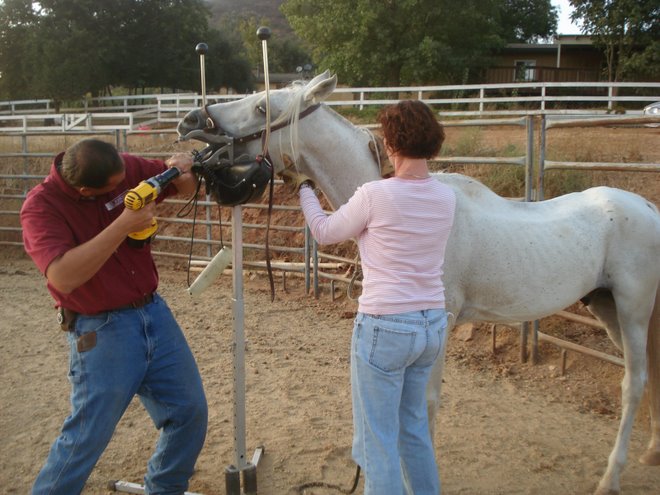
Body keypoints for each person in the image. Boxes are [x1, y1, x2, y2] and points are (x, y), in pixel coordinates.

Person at [20, 138, 208, 495]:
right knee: (87, 436)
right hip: (100, 330)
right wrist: (124, 224)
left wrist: (184, 171)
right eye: (111, 190)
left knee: (189, 411)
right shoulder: (41, 208)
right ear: (84, 190)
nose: (122, 186)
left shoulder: (120, 168)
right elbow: (63, 275)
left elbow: (180, 185)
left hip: (153, 312)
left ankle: (165, 488)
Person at [295, 100, 456, 494]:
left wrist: (304, 189)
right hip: (432, 324)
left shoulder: (374, 194)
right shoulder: (447, 197)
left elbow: (324, 230)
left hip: (386, 326)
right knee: (413, 429)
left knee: (378, 441)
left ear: (389, 144)